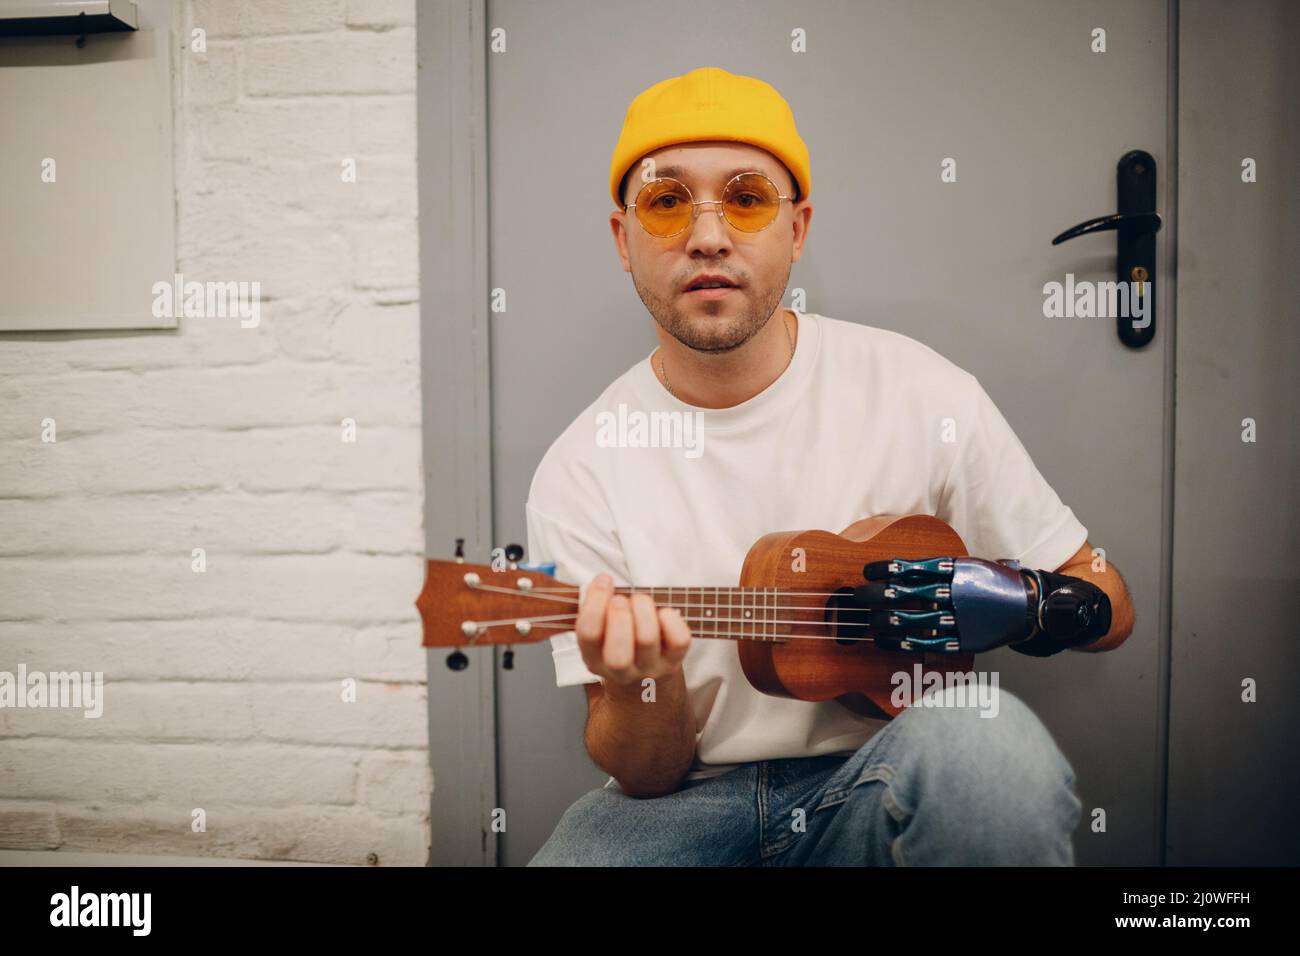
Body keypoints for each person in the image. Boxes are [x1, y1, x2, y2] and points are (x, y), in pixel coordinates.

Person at [524, 67, 1134, 866]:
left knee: (992, 747)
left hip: (888, 772)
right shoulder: (580, 468)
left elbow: (1110, 601)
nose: (707, 237)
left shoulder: (920, 391)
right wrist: (647, 682)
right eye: (668, 202)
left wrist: (1022, 604)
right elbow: (647, 772)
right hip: (683, 804)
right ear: (622, 238)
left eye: (745, 198)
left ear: (798, 228)